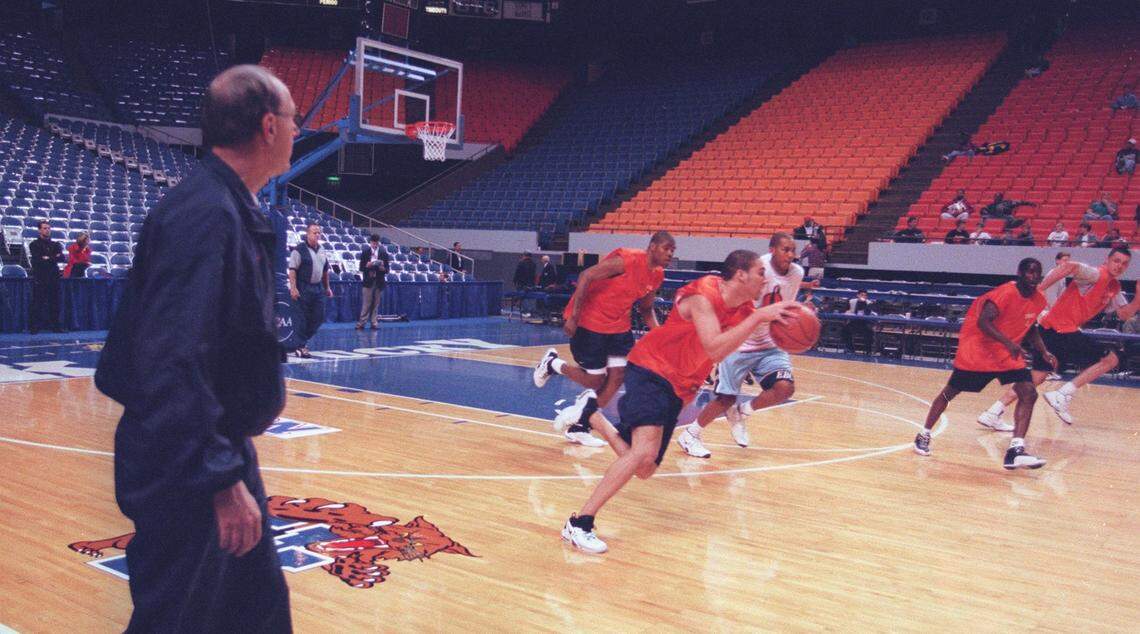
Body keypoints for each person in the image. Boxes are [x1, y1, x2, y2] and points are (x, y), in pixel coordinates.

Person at [93, 64, 294, 632]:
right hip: (186, 467)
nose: (298, 129)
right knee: (178, 618)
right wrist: (220, 479)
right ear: (268, 127)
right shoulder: (204, 215)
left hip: (213, 452)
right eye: (293, 118)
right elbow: (168, 359)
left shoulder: (227, 207)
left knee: (256, 613)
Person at [554, 250, 801, 553]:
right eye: (760, 272)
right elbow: (712, 346)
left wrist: (789, 321)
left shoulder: (745, 310)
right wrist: (761, 316)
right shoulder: (704, 295)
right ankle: (579, 523)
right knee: (641, 452)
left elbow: (722, 352)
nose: (765, 279)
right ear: (740, 275)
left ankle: (593, 416)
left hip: (680, 386)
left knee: (644, 468)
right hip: (652, 369)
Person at [533, 232, 675, 446]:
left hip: (619, 326)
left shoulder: (657, 275)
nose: (670, 253)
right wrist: (574, 316)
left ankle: (581, 425)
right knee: (596, 381)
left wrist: (661, 336)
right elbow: (586, 276)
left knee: (618, 376)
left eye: (673, 250)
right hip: (590, 322)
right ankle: (552, 364)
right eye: (666, 248)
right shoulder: (627, 260)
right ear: (652, 247)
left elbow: (646, 309)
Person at [914, 258, 1054, 469]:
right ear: (1020, 273)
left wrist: (1043, 351)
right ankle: (924, 433)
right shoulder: (1005, 293)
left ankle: (1015, 450)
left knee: (1029, 392)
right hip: (980, 351)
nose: (1034, 276)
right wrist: (1009, 343)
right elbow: (983, 321)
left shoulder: (1038, 299)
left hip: (1007, 354)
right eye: (1030, 272)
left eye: (1037, 273)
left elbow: (1031, 326)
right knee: (949, 393)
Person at [978, 247, 1140, 428]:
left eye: (1124, 263)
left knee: (1036, 377)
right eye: (1116, 261)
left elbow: (1124, 314)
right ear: (1107, 260)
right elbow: (1070, 266)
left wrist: (1138, 298)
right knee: (1111, 358)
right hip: (1062, 329)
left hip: (1050, 330)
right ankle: (1063, 394)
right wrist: (1039, 289)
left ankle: (993, 412)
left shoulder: (1113, 287)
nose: (1119, 266)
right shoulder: (1095, 274)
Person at [676, 232, 805, 457]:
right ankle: (690, 434)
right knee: (725, 397)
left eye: (793, 250)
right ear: (772, 249)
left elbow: (786, 305)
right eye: (786, 249)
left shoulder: (797, 273)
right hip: (739, 339)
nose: (791, 255)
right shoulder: (758, 268)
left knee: (785, 388)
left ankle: (741, 412)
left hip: (769, 341)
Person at [288, 222, 333, 358]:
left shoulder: (322, 250)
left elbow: (325, 271)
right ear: (307, 234)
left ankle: (298, 341)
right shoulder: (299, 250)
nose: (317, 234)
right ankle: (301, 346)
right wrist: (293, 288)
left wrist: (327, 288)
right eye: (314, 232)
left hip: (317, 287)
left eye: (319, 232)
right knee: (301, 318)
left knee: (319, 317)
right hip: (303, 287)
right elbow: (292, 270)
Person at [28, 219, 63, 333]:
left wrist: (48, 258)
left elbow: (61, 258)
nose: (47, 230)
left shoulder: (56, 244)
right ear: (39, 230)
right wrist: (53, 257)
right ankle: (34, 327)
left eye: (48, 228)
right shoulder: (34, 244)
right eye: (44, 228)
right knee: (38, 303)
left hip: (54, 276)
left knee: (55, 303)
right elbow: (38, 260)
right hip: (41, 277)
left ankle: (56, 326)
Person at [356, 234, 389, 330]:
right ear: (370, 242)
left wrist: (382, 268)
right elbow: (361, 268)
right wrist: (368, 265)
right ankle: (361, 323)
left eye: (376, 243)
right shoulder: (365, 252)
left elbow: (387, 269)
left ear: (378, 242)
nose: (375, 245)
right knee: (366, 303)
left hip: (378, 281)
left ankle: (374, 323)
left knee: (376, 304)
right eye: (373, 243)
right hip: (368, 281)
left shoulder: (383, 253)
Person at [842, 289, 875, 353]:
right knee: (844, 330)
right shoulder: (851, 301)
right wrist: (847, 312)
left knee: (870, 333)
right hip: (853, 322)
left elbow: (868, 313)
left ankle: (868, 350)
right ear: (857, 295)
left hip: (864, 323)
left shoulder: (869, 303)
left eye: (865, 295)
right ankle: (850, 349)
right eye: (862, 295)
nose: (863, 296)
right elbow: (845, 310)